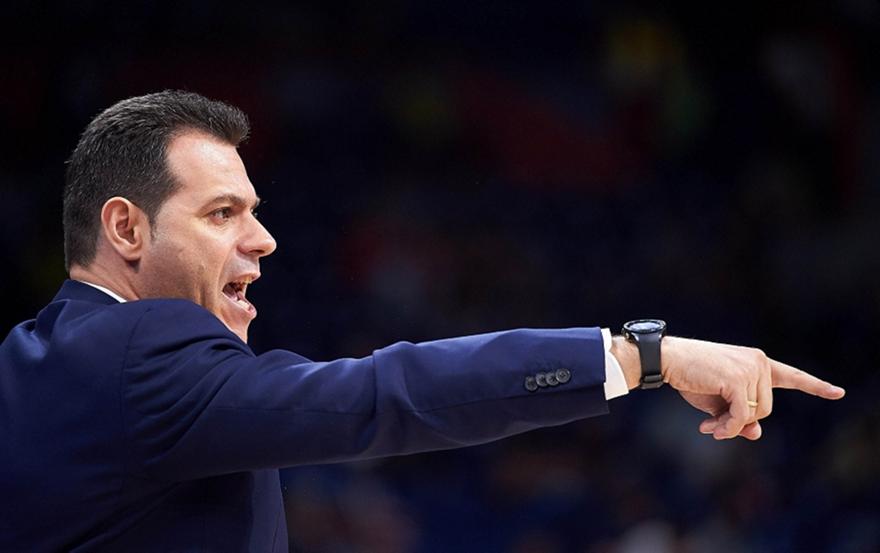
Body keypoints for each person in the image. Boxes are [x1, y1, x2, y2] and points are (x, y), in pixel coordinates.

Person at [0, 90, 844, 552]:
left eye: (253, 209)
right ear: (126, 229)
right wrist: (643, 355)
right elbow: (381, 394)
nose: (262, 238)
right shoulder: (140, 350)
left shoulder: (29, 362)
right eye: (223, 212)